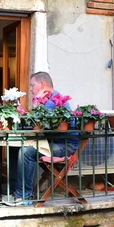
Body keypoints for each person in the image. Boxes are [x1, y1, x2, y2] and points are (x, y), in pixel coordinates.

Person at [11, 71, 79, 204]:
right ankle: (16, 191)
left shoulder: (54, 100)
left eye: (32, 85)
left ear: (42, 84)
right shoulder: (49, 99)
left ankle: (24, 195)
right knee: (14, 148)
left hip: (65, 146)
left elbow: (38, 125)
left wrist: (36, 104)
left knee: (26, 152)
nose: (30, 89)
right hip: (52, 142)